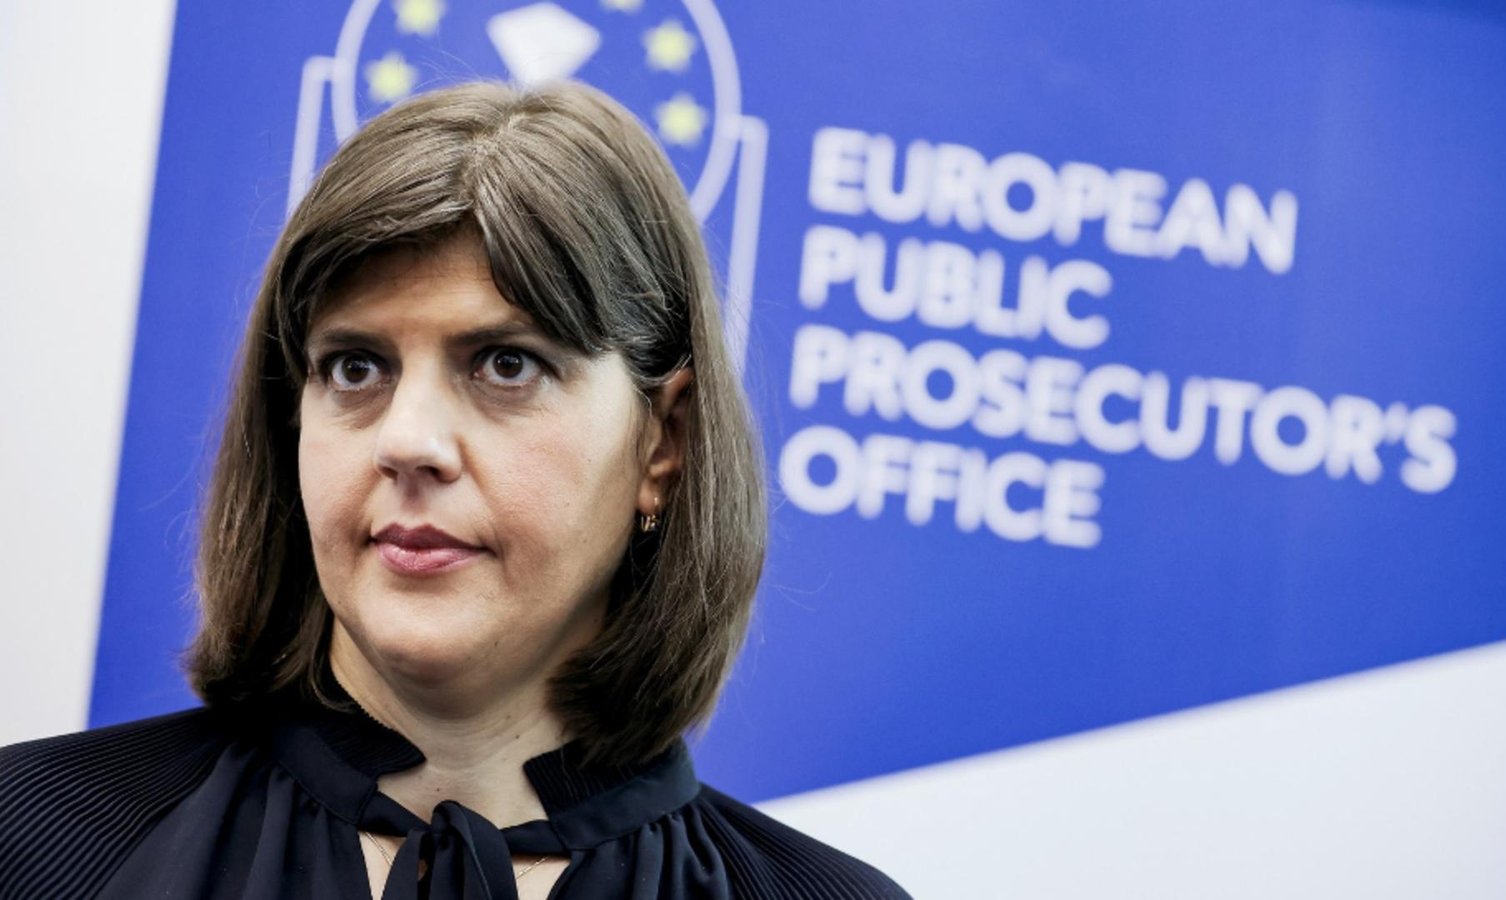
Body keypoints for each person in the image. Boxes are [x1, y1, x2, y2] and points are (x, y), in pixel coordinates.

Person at [0, 81, 909, 900]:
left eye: (506, 364)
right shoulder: (34, 843)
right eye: (355, 367)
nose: (407, 442)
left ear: (662, 443)